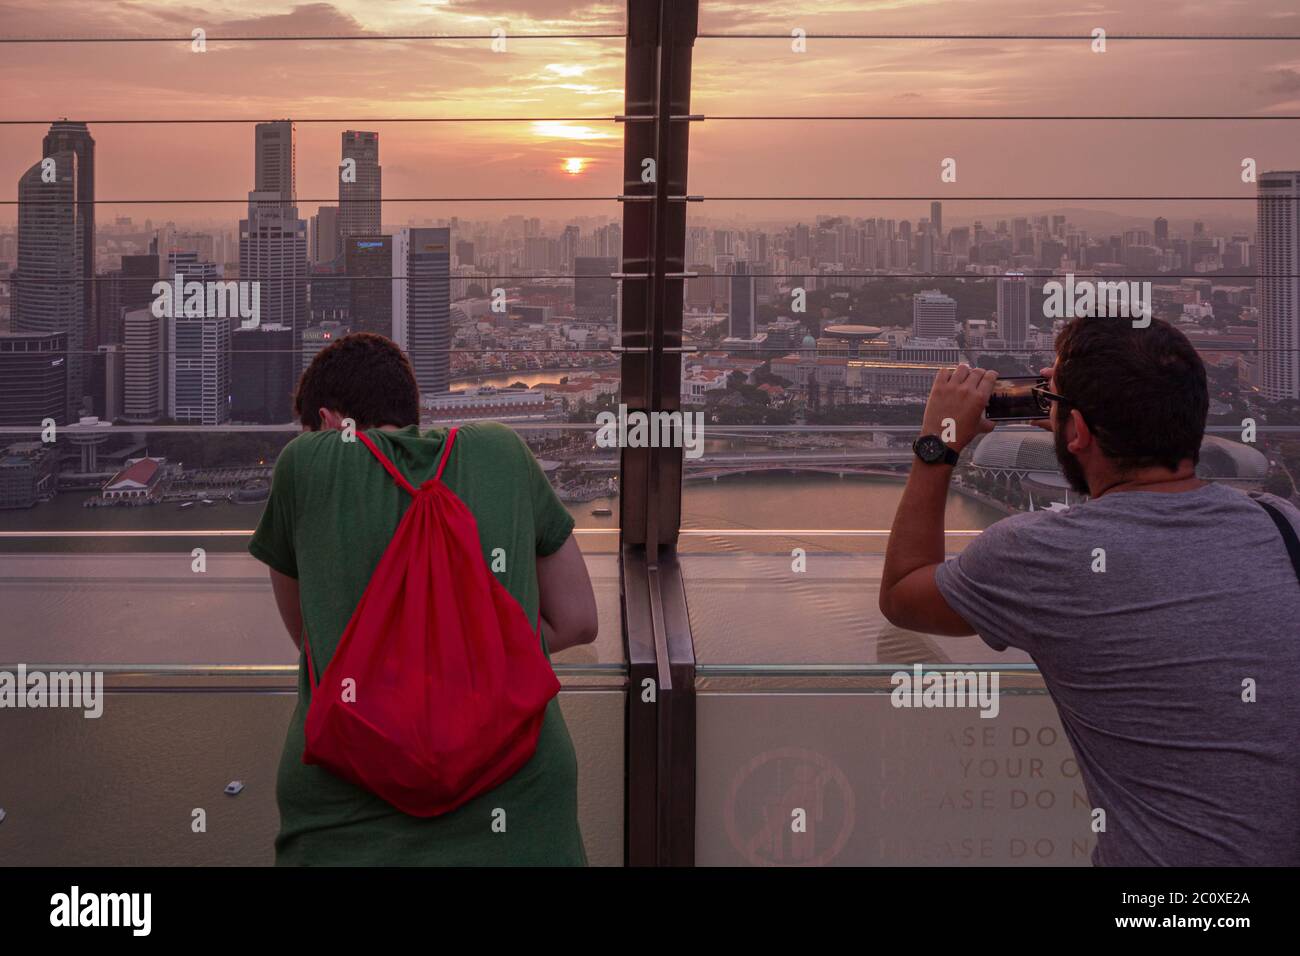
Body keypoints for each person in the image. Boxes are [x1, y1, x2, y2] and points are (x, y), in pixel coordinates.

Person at [879, 316, 1300, 866]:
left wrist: (938, 441)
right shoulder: (1282, 526)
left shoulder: (1041, 556)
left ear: (1075, 431)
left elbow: (902, 593)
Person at [248, 332, 598, 865]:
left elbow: (311, 637)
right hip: (521, 811)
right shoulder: (504, 451)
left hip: (345, 817)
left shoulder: (306, 465)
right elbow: (577, 621)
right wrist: (472, 658)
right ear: (412, 409)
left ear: (326, 423)